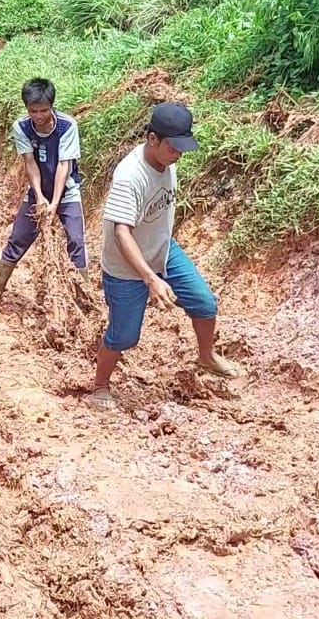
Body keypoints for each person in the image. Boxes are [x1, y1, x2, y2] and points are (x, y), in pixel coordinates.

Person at [90, 102, 240, 409]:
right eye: (173, 147)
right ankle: (100, 386)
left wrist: (161, 260)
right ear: (152, 139)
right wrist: (150, 279)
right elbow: (121, 233)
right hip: (126, 268)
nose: (179, 155)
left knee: (204, 303)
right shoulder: (129, 176)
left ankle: (206, 356)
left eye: (182, 147)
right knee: (124, 337)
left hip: (163, 250)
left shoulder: (168, 161)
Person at [0, 78, 87, 303]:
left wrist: (54, 203)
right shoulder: (21, 127)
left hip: (67, 193)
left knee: (76, 241)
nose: (39, 116)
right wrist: (40, 197)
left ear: (52, 106)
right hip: (37, 194)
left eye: (44, 110)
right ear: (27, 109)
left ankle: (84, 299)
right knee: (18, 240)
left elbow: (65, 165)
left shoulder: (67, 125)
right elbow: (30, 163)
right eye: (33, 111)